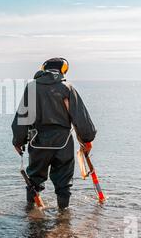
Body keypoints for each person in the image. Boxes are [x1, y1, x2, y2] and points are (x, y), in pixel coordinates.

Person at [11, 57, 97, 209]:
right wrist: (87, 139)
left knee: (34, 181)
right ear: (63, 70)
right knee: (63, 184)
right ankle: (63, 218)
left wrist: (18, 141)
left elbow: (22, 118)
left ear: (43, 69)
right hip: (63, 144)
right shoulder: (67, 88)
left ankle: (32, 216)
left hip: (38, 143)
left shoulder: (31, 88)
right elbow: (81, 118)